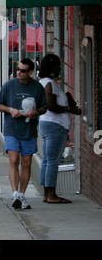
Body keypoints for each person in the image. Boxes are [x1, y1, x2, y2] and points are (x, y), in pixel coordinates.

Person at [0, 58, 47, 210]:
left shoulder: (37, 88)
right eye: (18, 69)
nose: (18, 72)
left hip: (29, 130)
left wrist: (35, 113)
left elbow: (44, 107)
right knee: (13, 159)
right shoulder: (9, 85)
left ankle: (22, 195)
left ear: (30, 72)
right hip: (11, 128)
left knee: (27, 163)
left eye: (23, 70)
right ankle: (15, 194)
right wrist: (10, 110)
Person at [38, 54, 82, 204]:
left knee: (47, 160)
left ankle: (46, 193)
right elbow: (51, 106)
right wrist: (69, 108)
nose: (60, 69)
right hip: (54, 125)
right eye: (58, 66)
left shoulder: (42, 82)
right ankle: (51, 194)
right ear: (52, 67)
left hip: (46, 124)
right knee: (53, 161)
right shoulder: (49, 83)